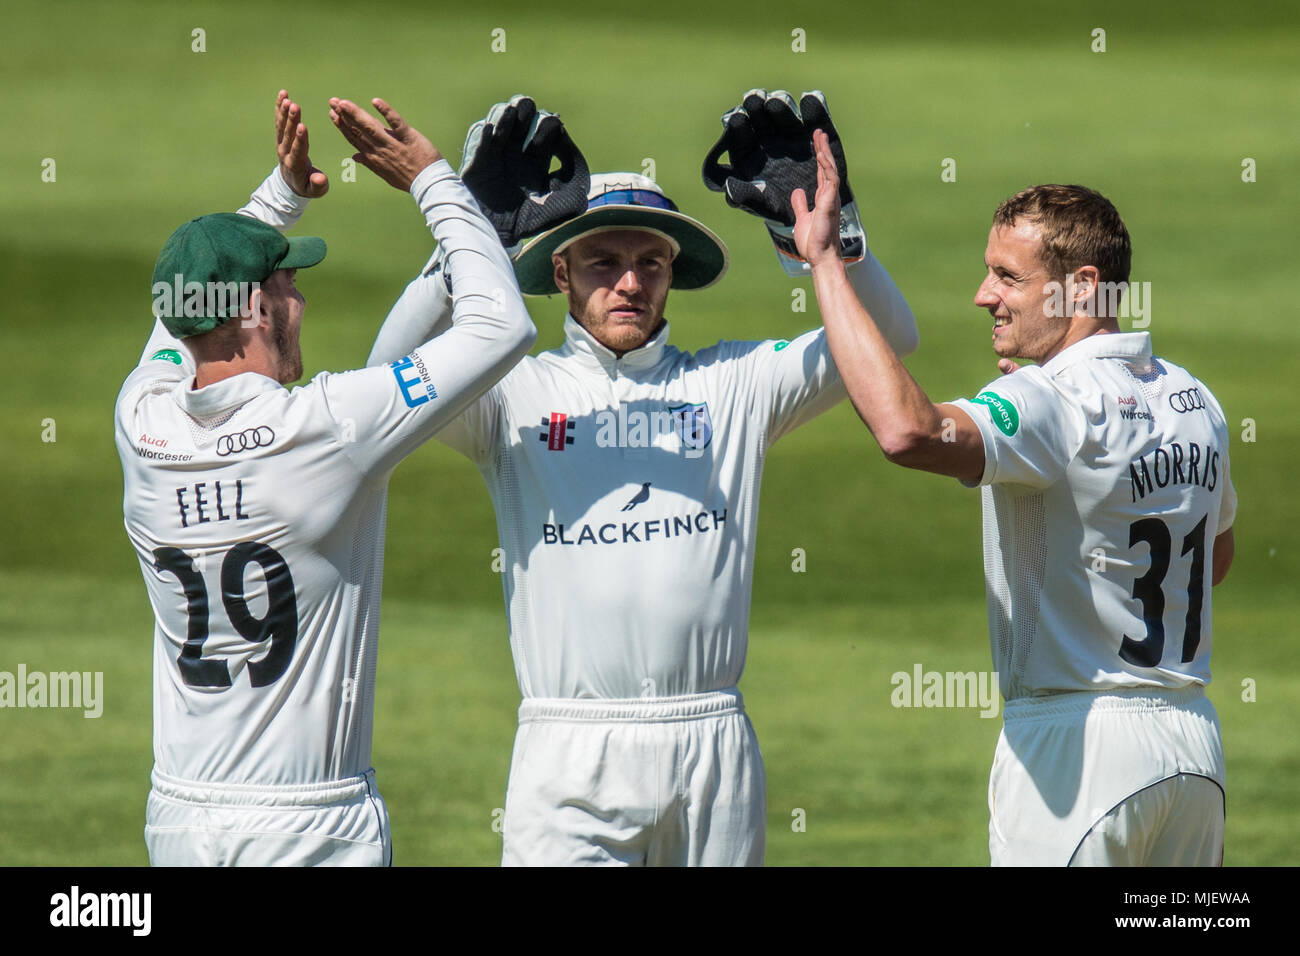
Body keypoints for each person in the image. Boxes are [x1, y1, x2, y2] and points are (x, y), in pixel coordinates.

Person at [366, 92, 919, 865]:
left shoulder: (734, 384)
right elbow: (388, 379)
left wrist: (832, 244)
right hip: (569, 749)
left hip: (713, 744)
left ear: (673, 274)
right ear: (559, 271)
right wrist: (471, 243)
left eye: (650, 262)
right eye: (604, 260)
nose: (630, 282)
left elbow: (889, 337)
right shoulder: (514, 394)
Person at [793, 130, 1237, 865]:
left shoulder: (1053, 398)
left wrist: (826, 264)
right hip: (1191, 750)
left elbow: (910, 431)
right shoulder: (1197, 400)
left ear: (1082, 287)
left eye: (1007, 276)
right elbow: (1211, 565)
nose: (982, 295)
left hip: (1079, 753)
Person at [114, 90, 535, 866]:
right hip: (305, 827)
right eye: (287, 287)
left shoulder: (141, 420)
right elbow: (502, 325)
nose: (300, 299)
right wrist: (434, 180)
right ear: (253, 310)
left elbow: (172, 329)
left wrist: (277, 199)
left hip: (178, 817)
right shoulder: (326, 427)